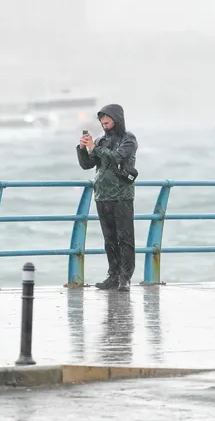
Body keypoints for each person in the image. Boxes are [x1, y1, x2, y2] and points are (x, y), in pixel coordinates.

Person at [76, 103, 138, 291]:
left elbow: (117, 158)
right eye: (102, 122)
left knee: (125, 238)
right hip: (102, 195)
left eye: (107, 121)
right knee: (109, 239)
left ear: (116, 119)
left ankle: (125, 278)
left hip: (122, 196)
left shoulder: (129, 140)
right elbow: (87, 165)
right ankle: (113, 275)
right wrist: (82, 148)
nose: (104, 124)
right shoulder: (101, 141)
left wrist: (95, 147)